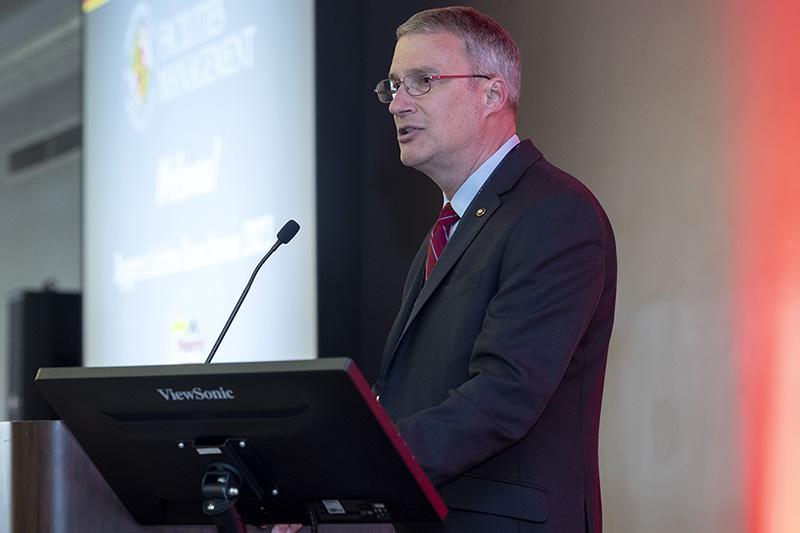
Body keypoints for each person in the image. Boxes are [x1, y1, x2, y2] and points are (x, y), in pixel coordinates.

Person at [274, 6, 616, 533]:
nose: (398, 103)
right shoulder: (453, 226)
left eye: (422, 81)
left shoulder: (553, 213)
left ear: (492, 94)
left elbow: (503, 396)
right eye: (392, 86)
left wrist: (346, 471)